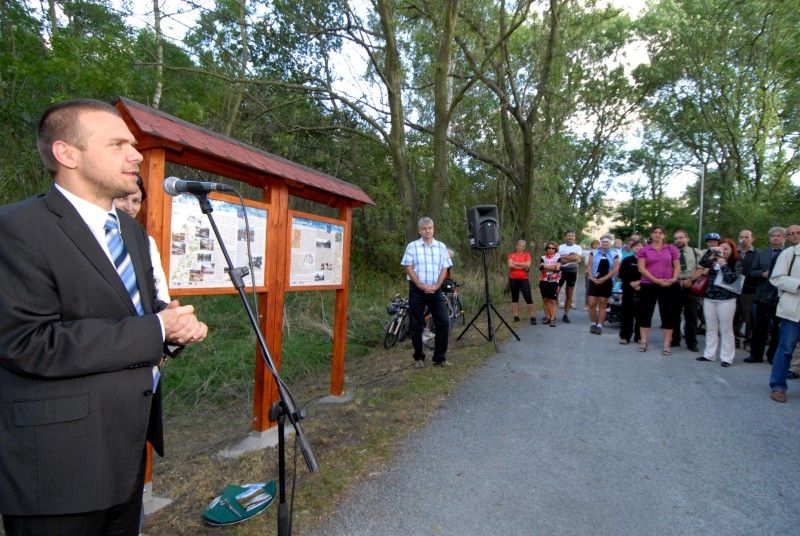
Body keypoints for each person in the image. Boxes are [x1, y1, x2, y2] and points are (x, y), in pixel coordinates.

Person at [0, 99, 208, 536]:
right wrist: (154, 329)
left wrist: (173, 330)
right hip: (58, 470)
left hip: (125, 454)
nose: (135, 155)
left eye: (133, 145)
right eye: (117, 145)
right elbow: (27, 343)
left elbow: (138, 312)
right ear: (67, 154)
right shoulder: (17, 228)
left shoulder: (130, 230)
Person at [401, 217, 453, 369]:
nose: (427, 230)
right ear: (419, 230)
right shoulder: (412, 246)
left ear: (433, 228)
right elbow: (408, 267)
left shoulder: (441, 247)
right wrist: (421, 285)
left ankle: (440, 358)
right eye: (424, 228)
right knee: (415, 324)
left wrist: (437, 285)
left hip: (436, 290)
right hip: (417, 290)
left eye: (430, 228)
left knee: (443, 322)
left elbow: (445, 268)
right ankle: (419, 357)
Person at [115, 176, 170, 303]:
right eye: (123, 198)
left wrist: (167, 313)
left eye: (136, 201)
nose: (129, 207)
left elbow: (158, 282)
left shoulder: (146, 241)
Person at [695, 239, 742, 367]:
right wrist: (711, 250)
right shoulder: (713, 260)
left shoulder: (736, 263)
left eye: (726, 249)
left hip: (726, 299)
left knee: (726, 328)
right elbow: (702, 262)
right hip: (710, 297)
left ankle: (727, 358)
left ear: (732, 250)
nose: (723, 251)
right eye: (721, 248)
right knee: (710, 328)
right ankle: (709, 354)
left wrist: (723, 265)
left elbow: (730, 278)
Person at [636, 225, 680, 355]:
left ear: (664, 235)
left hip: (667, 285)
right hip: (648, 285)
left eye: (660, 233)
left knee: (667, 315)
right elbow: (641, 269)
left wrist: (674, 278)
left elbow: (676, 266)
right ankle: (643, 341)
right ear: (651, 234)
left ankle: (667, 345)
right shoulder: (644, 250)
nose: (657, 234)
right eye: (655, 232)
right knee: (645, 313)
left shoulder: (671, 249)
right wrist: (656, 281)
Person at [744, 227, 786, 364]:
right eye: (773, 236)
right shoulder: (761, 253)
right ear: (769, 238)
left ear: (784, 238)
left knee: (777, 328)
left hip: (781, 296)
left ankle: (773, 355)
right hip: (762, 295)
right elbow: (751, 272)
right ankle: (756, 355)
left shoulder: (789, 253)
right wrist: (762, 273)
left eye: (779, 236)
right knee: (759, 326)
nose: (775, 238)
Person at [768, 243, 800, 402]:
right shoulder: (791, 253)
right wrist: (797, 284)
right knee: (786, 349)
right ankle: (778, 386)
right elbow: (776, 278)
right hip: (794, 311)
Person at [671, 229, 701, 352]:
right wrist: (676, 280)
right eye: (676, 238)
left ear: (687, 239)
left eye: (681, 237)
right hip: (675, 285)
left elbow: (701, 268)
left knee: (692, 316)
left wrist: (691, 279)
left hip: (691, 285)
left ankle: (691, 342)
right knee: (673, 315)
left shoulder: (696, 252)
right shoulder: (670, 252)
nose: (678, 240)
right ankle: (674, 339)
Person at [586, 234, 620, 335]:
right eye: (603, 241)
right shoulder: (594, 252)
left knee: (602, 303)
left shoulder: (614, 254)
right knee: (591, 303)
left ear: (611, 243)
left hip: (606, 281)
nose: (605, 243)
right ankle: (593, 323)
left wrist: (604, 279)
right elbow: (589, 265)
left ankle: (600, 325)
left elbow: (616, 268)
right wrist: (591, 277)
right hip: (594, 280)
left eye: (607, 242)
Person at [618, 238, 645, 344]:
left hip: (643, 289)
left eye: (640, 246)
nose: (638, 248)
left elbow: (650, 274)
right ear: (632, 248)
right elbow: (622, 275)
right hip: (628, 289)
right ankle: (625, 336)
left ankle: (639, 336)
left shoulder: (647, 261)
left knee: (641, 314)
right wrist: (631, 283)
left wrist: (639, 283)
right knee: (626, 313)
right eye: (636, 246)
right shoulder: (627, 260)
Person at [735, 229, 757, 350]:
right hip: (733, 290)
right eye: (741, 237)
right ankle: (735, 340)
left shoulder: (757, 254)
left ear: (752, 239)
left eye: (746, 237)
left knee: (749, 318)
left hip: (749, 290)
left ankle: (748, 341)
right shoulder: (734, 252)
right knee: (734, 316)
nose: (743, 239)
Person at [507, 239, 536, 325]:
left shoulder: (527, 255)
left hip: (524, 279)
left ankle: (532, 316)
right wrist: (523, 266)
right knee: (515, 297)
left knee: (528, 297)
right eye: (519, 245)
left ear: (524, 247)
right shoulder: (511, 255)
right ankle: (516, 316)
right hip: (513, 278)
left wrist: (516, 263)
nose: (521, 247)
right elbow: (510, 265)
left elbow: (528, 265)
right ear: (516, 246)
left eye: (523, 246)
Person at [557, 230, 582, 322]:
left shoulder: (578, 247)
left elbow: (576, 258)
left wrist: (564, 257)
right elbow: (557, 259)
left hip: (572, 272)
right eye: (568, 236)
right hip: (560, 271)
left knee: (569, 294)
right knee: (556, 292)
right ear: (565, 237)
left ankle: (565, 315)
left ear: (575, 238)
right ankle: (552, 314)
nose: (570, 237)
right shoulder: (560, 247)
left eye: (572, 236)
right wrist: (571, 258)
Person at [538, 241, 562, 326]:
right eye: (549, 248)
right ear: (547, 248)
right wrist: (552, 267)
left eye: (553, 248)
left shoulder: (558, 257)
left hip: (553, 281)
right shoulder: (543, 257)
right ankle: (547, 317)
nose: (551, 249)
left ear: (555, 249)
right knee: (545, 300)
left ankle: (552, 319)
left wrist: (546, 266)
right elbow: (541, 268)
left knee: (552, 300)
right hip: (543, 280)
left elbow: (557, 269)